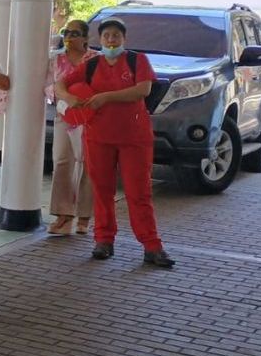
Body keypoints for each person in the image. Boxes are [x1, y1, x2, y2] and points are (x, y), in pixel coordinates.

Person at [55, 18, 175, 268]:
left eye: (116, 35)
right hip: (99, 137)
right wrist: (69, 98)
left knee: (138, 192)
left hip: (134, 138)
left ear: (124, 39)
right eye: (107, 35)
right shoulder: (92, 64)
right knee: (102, 190)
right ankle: (104, 241)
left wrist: (105, 97)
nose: (111, 39)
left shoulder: (137, 60)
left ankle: (152, 246)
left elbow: (142, 90)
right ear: (100, 39)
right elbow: (60, 84)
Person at [47, 19, 99, 236]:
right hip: (65, 116)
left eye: (75, 33)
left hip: (91, 118)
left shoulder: (96, 60)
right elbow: (49, 86)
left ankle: (84, 216)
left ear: (86, 38)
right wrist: (67, 98)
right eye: (66, 32)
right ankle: (63, 215)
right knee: (61, 161)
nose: (69, 36)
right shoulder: (55, 59)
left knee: (88, 164)